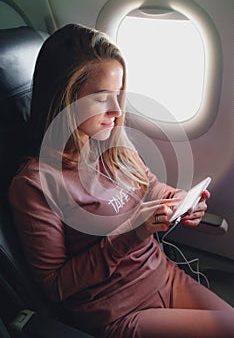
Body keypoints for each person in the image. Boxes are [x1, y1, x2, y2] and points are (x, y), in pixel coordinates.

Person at [8, 24, 234, 338]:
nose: (116, 111)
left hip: (163, 276)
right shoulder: (34, 185)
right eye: (102, 99)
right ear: (65, 101)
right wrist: (133, 231)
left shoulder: (109, 142)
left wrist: (179, 202)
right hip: (118, 311)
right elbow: (55, 286)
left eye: (118, 95)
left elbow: (149, 186)